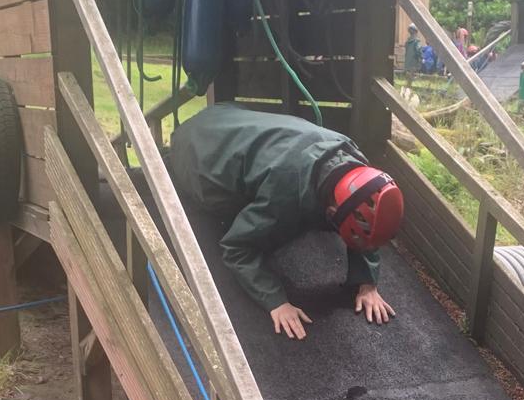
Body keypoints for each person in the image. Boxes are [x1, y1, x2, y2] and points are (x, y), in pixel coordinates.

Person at [167, 102, 403, 340]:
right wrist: (276, 302)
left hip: (224, 115)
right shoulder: (284, 191)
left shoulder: (353, 160)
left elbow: (364, 217)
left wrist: (367, 283)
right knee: (222, 212)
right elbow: (236, 247)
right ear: (331, 213)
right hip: (194, 152)